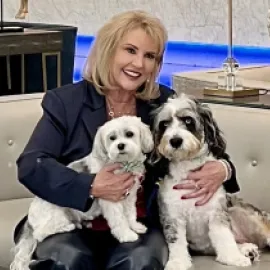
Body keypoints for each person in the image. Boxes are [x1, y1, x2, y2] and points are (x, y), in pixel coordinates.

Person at [14, 10, 240, 270]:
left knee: (139, 262)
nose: (139, 64)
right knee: (69, 260)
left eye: (150, 56)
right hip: (72, 219)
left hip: (140, 223)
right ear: (108, 50)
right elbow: (32, 164)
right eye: (130, 50)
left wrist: (223, 169)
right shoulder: (65, 102)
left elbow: (209, 145)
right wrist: (90, 185)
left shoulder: (163, 103)